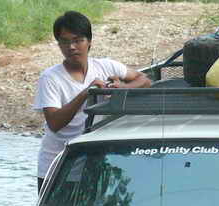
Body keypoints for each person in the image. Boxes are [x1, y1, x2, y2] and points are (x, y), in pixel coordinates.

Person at [32, 11, 151, 193]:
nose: (71, 47)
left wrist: (122, 88)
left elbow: (145, 80)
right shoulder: (50, 78)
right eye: (64, 41)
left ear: (89, 42)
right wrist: (86, 93)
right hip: (57, 167)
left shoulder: (106, 66)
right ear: (59, 45)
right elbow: (54, 123)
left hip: (95, 164)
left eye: (77, 40)